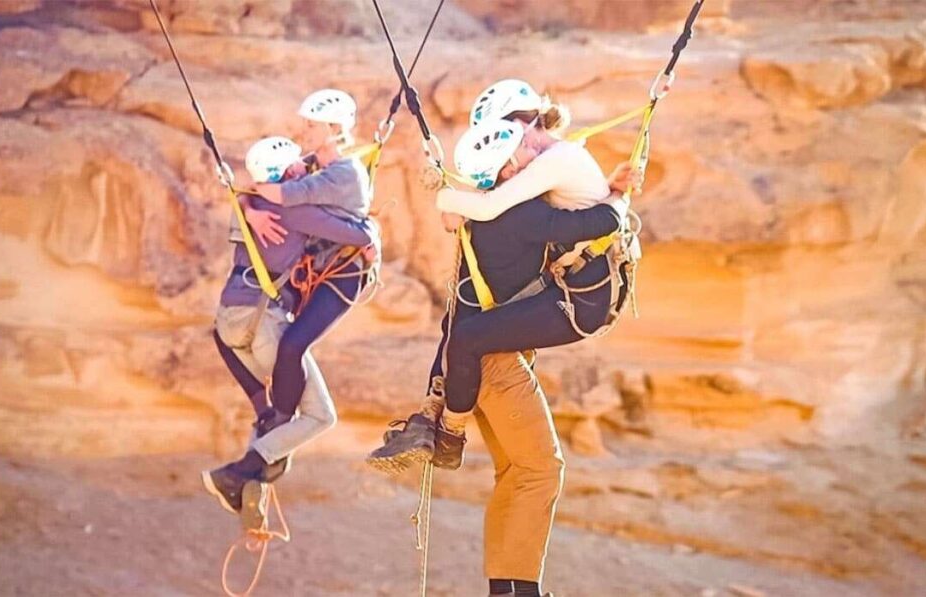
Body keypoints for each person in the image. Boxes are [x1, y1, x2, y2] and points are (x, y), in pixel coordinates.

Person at [370, 114, 632, 596]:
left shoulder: (482, 208)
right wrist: (617, 197)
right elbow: (599, 221)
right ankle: (519, 591)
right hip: (496, 358)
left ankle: (506, 590)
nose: (536, 156)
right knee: (541, 471)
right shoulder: (520, 213)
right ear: (508, 170)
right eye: (524, 152)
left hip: (482, 353)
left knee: (516, 473)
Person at [371, 80, 639, 473]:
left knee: (469, 334)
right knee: (461, 312)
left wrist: (618, 200)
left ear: (521, 124)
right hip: (569, 283)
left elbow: (498, 205)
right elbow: (477, 210)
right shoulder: (541, 160)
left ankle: (449, 435)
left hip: (583, 301)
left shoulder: (551, 164)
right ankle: (432, 410)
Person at [204, 89, 380, 525]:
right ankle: (245, 468)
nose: (303, 132)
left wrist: (246, 202)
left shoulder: (336, 175)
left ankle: (258, 456)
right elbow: (307, 210)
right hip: (266, 318)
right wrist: (368, 234)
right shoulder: (295, 199)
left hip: (238, 315)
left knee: (287, 368)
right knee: (318, 413)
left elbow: (266, 192)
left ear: (334, 130)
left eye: (311, 125)